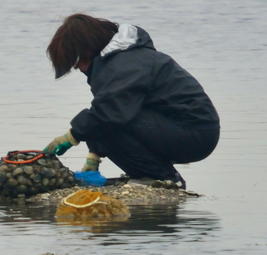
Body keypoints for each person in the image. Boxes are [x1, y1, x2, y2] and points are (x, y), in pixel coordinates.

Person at [42, 14, 220, 187]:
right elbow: (106, 109)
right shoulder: (117, 60)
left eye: (77, 62)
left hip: (195, 133)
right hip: (183, 129)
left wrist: (71, 136)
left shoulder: (124, 64)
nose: (78, 68)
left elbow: (109, 114)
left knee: (107, 118)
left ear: (86, 49)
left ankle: (162, 178)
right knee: (102, 117)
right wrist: (93, 159)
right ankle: (153, 174)